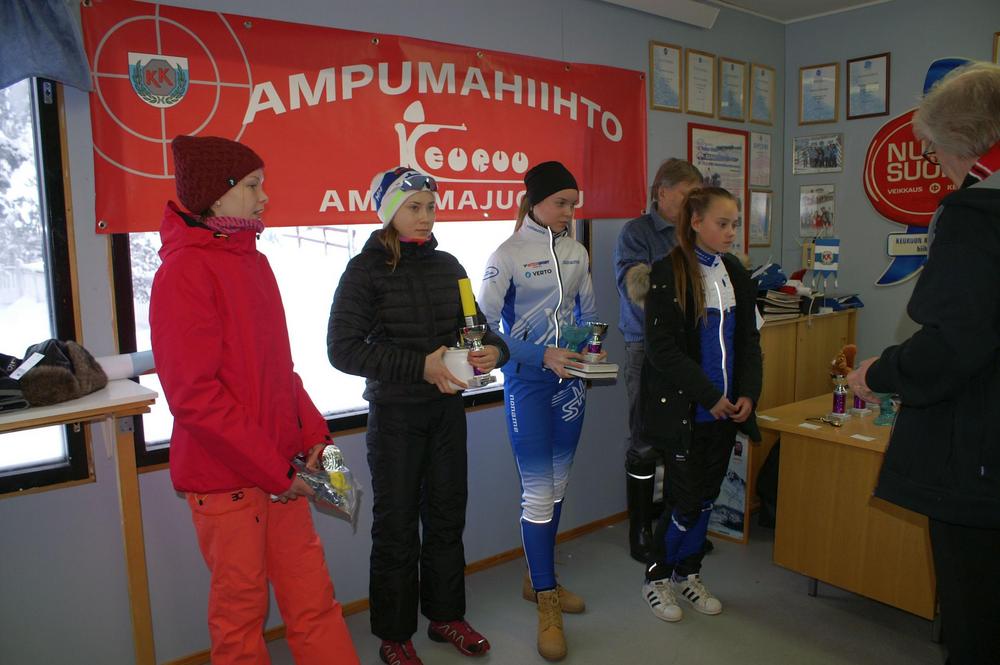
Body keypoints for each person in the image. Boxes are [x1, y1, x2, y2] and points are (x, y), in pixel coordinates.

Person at [149, 135, 358, 665]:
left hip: (281, 473)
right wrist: (277, 472)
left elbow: (278, 373)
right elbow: (195, 398)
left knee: (313, 601)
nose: (264, 197)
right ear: (215, 195)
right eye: (252, 185)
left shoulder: (252, 262)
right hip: (229, 483)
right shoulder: (183, 272)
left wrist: (316, 436)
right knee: (240, 621)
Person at [846, 61, 1000, 665]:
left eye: (934, 151)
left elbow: (952, 344)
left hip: (979, 461)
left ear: (962, 141)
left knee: (975, 618)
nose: (935, 165)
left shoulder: (975, 214)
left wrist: (879, 374)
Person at [327, 167, 508, 665]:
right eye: (413, 207)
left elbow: (478, 329)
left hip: (446, 414)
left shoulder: (449, 266)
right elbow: (342, 349)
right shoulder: (364, 271)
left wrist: (496, 351)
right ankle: (394, 634)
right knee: (397, 527)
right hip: (395, 420)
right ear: (388, 211)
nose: (426, 216)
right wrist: (419, 366)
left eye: (430, 206)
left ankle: (446, 615)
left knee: (447, 518)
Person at [478, 161, 600, 662]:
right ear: (535, 202)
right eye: (561, 203)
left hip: (569, 386)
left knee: (558, 486)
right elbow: (481, 330)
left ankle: (537, 578)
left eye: (574, 203)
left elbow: (589, 313)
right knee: (538, 492)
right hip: (526, 385)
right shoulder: (507, 255)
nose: (569, 212)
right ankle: (546, 601)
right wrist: (539, 355)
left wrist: (589, 350)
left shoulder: (577, 252)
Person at [633, 187, 762, 623]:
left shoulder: (735, 272)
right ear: (695, 222)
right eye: (722, 224)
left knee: (707, 497)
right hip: (690, 411)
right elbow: (662, 351)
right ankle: (657, 577)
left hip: (726, 412)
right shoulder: (667, 273)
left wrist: (747, 394)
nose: (730, 233)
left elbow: (748, 342)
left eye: (734, 225)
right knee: (684, 501)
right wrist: (711, 396)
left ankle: (688, 572)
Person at [615, 158, 703, 562]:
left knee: (682, 440)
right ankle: (641, 530)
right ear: (662, 192)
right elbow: (635, 288)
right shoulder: (637, 233)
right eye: (685, 195)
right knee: (645, 439)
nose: (691, 203)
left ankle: (676, 525)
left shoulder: (696, 231)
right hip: (646, 347)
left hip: (688, 347)